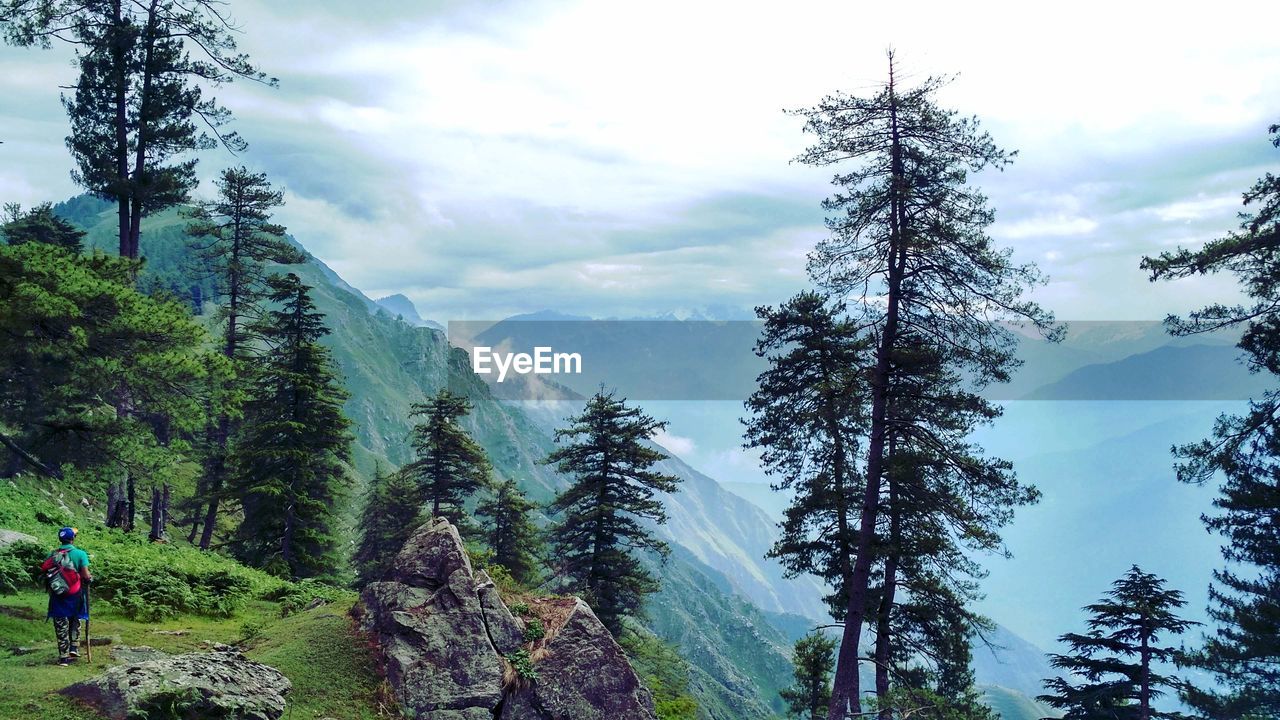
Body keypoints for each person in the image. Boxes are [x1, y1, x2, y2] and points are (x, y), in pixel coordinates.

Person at [39, 527, 90, 666]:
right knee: (76, 619)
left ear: (60, 539)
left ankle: (63, 657)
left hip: (57, 594)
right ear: (72, 539)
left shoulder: (52, 554)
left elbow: (45, 570)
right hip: (75, 594)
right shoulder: (80, 554)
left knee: (61, 624)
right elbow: (86, 575)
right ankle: (74, 647)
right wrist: (89, 578)